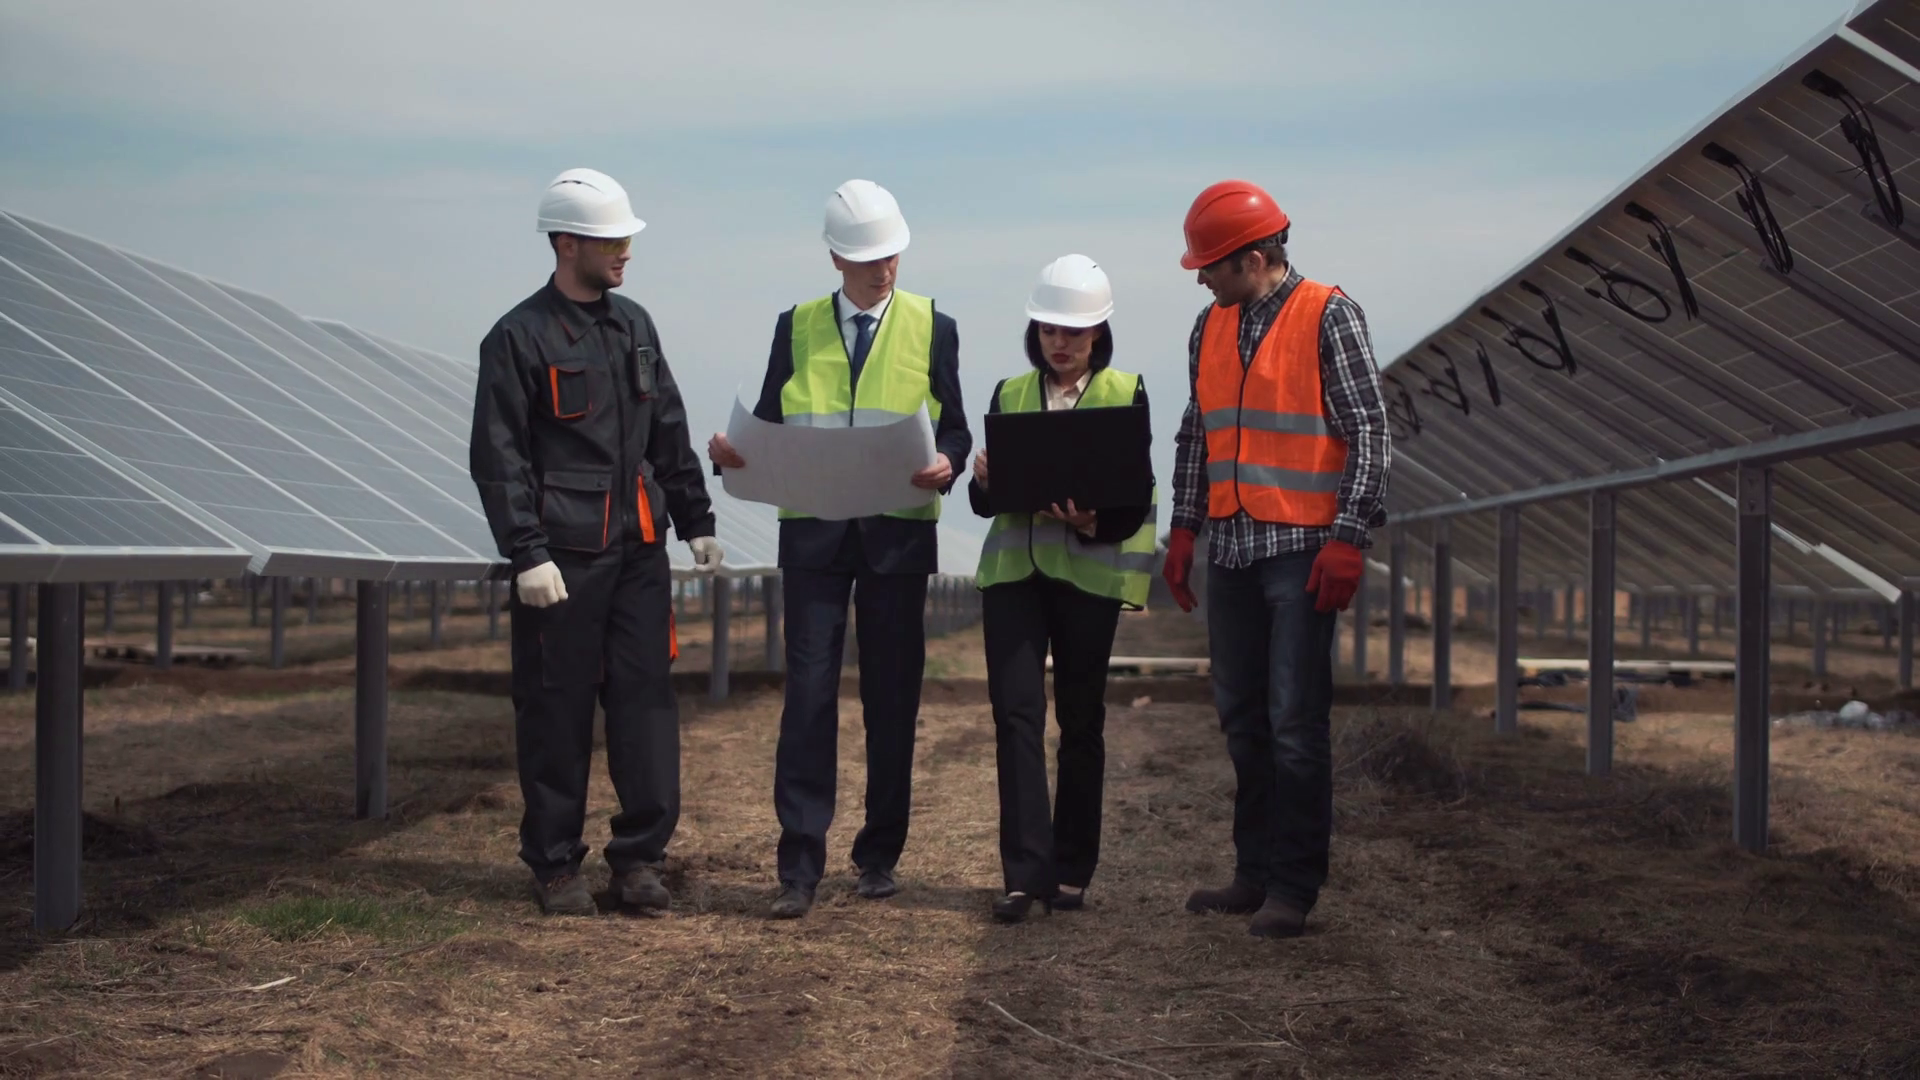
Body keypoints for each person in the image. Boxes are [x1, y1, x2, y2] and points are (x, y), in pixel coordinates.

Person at [706, 179, 971, 919]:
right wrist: (731, 453)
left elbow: (955, 428)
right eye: (865, 259)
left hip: (897, 537)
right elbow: (765, 424)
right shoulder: (794, 327)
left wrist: (948, 461)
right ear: (834, 259)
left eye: (890, 255)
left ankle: (879, 856)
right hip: (815, 536)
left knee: (892, 700)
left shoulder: (933, 326)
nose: (882, 270)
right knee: (810, 697)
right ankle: (799, 866)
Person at [470, 168, 725, 917]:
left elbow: (668, 428)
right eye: (613, 241)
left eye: (628, 240)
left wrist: (696, 520)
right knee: (556, 711)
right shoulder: (518, 337)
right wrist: (527, 551)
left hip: (640, 551)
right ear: (568, 242)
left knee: (647, 705)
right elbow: (499, 454)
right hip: (564, 560)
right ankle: (555, 865)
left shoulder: (634, 326)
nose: (625, 254)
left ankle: (640, 860)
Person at [1162, 179, 1392, 939]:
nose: (1201, 278)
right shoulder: (1210, 326)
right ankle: (1252, 873)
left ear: (1255, 259)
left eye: (1212, 266)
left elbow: (1369, 431)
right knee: (1242, 719)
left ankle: (1293, 886)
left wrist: (1349, 536)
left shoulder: (1330, 314)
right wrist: (1184, 528)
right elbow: (1197, 433)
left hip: (1300, 551)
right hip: (1229, 548)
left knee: (1295, 721)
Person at [969, 254, 1157, 924]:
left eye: (1074, 332)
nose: (1060, 341)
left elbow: (1135, 501)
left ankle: (1072, 872)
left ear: (1098, 334)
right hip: (1013, 578)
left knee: (1080, 722)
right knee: (1015, 717)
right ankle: (1024, 875)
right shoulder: (1008, 393)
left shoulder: (1126, 392)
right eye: (1049, 328)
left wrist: (1092, 520)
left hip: (1086, 578)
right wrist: (986, 481)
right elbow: (981, 505)